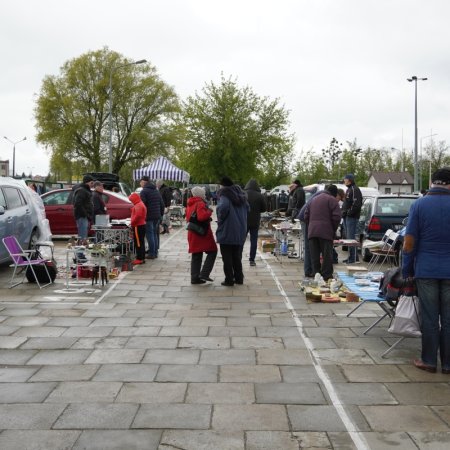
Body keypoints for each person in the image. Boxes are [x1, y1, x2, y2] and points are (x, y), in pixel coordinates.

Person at [402, 167, 450, 375]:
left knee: (430, 318)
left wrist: (407, 269)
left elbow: (409, 241)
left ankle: (429, 361)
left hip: (427, 270)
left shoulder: (419, 205)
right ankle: (448, 364)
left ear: (433, 182)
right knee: (449, 319)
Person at [216, 176, 249, 286]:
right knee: (236, 255)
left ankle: (229, 279)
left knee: (227, 257)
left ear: (223, 185)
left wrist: (220, 219)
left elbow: (222, 208)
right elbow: (248, 209)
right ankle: (239, 278)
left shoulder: (225, 195)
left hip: (228, 229)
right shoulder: (242, 196)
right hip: (240, 230)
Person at [304, 184, 341, 281]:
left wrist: (311, 225)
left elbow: (306, 215)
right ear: (334, 193)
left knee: (314, 255)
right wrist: (333, 229)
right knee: (327, 255)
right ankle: (327, 276)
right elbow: (337, 217)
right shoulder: (332, 200)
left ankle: (316, 274)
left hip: (312, 231)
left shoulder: (313, 199)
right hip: (325, 232)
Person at [186, 186, 217, 284]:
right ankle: (204, 273)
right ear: (200, 194)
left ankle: (194, 278)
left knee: (196, 255)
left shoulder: (190, 203)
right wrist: (209, 211)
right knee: (213, 251)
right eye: (203, 193)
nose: (204, 194)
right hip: (201, 234)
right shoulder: (200, 203)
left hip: (193, 232)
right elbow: (201, 217)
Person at [139, 176, 165, 259]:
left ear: (144, 182)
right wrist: (160, 215)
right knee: (154, 234)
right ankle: (155, 251)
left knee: (150, 234)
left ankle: (152, 253)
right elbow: (162, 204)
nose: (140, 184)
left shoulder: (144, 191)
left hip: (149, 216)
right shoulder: (156, 190)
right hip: (157, 216)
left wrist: (142, 216)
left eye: (140, 182)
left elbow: (142, 206)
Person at [244, 178, 267, 266]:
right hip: (255, 221)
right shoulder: (259, 195)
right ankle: (252, 260)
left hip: (244, 220)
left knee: (241, 240)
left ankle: (238, 257)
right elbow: (264, 209)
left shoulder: (243, 194)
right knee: (253, 240)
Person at [342, 173, 362, 264]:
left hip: (352, 217)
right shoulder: (349, 189)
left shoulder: (355, 189)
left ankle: (353, 258)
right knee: (348, 238)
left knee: (351, 239)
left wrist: (349, 213)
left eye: (345, 179)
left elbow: (356, 204)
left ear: (349, 180)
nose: (344, 180)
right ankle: (352, 257)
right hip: (347, 217)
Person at [72, 174, 95, 241]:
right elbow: (78, 204)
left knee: (83, 236)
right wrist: (86, 214)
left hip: (84, 216)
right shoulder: (81, 190)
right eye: (91, 182)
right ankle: (80, 251)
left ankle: (81, 250)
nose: (92, 184)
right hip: (82, 216)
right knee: (82, 236)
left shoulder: (85, 190)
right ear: (87, 182)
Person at [129, 192, 147, 265]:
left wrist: (132, 223)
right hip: (141, 225)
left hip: (138, 226)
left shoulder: (138, 205)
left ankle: (139, 258)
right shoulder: (140, 203)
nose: (131, 202)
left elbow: (138, 216)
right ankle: (142, 257)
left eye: (131, 200)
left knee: (138, 243)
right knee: (141, 242)